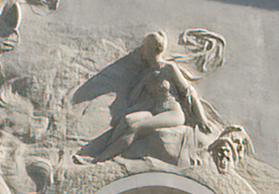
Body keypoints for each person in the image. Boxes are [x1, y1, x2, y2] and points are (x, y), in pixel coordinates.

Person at [77, 30, 215, 163]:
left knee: (136, 127)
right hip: (154, 112)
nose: (143, 51)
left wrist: (201, 118)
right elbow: (133, 97)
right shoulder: (148, 73)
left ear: (153, 49)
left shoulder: (169, 69)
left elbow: (189, 92)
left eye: (145, 47)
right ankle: (98, 152)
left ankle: (100, 159)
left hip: (172, 113)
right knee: (127, 120)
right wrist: (145, 80)